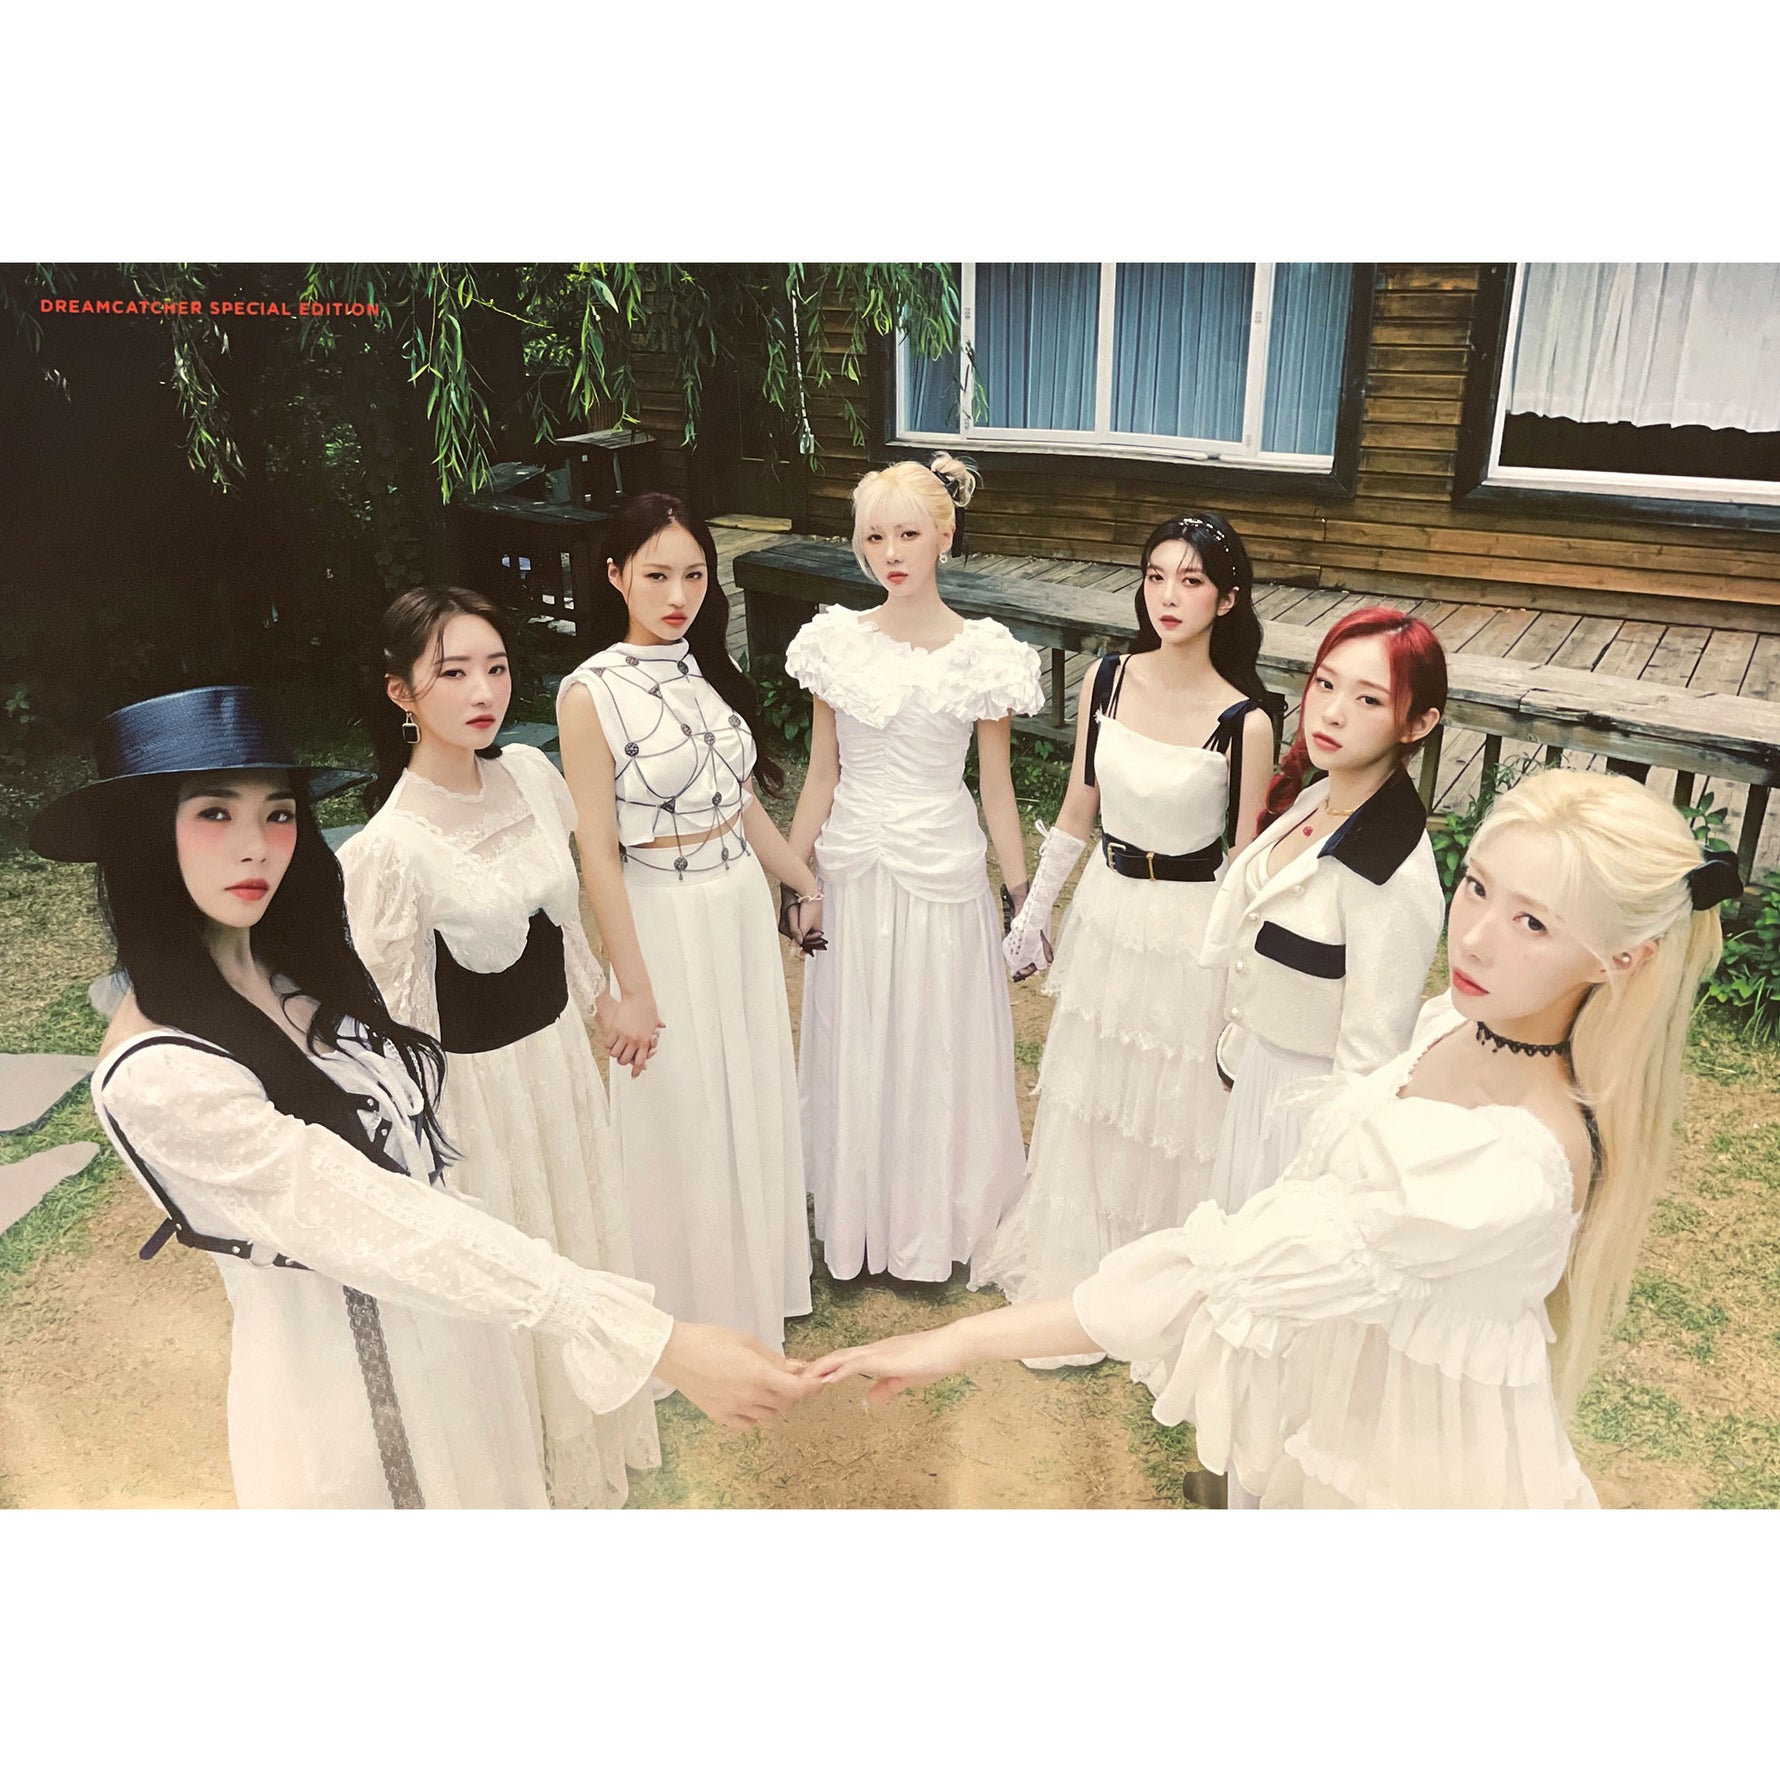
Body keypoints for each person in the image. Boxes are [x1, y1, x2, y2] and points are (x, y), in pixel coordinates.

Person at [810, 769, 1742, 1510]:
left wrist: (963, 1341)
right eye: (1477, 889)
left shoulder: (1505, 1168)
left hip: (1409, 1474)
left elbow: (1214, 1278)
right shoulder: (1451, 1025)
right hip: (1338, 1411)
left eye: (1532, 922)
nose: (1475, 939)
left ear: (1622, 960)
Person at [30, 685, 817, 1510]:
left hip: (463, 1365)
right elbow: (374, 1219)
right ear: (143, 836)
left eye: (278, 813)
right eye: (215, 815)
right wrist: (646, 1336)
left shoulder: (297, 979)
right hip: (356, 1417)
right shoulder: (159, 1075)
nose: (256, 846)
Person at [338, 586, 656, 1508]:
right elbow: (393, 1024)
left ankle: (593, 1437)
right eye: (452, 673)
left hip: (558, 1068)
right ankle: (524, 1475)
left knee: (581, 1237)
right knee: (513, 1270)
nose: (483, 692)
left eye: (497, 668)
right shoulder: (388, 850)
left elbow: (562, 918)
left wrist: (604, 1003)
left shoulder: (528, 772)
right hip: (479, 1102)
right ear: (401, 692)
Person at [969, 513, 1276, 1363]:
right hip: (1107, 910)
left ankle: (1158, 1282)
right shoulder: (1107, 678)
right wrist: (1033, 913)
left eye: (1191, 581)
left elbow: (1246, 861)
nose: (1169, 596)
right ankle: (1080, 1270)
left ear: (1226, 600)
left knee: (1170, 1102)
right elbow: (1079, 807)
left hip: (1188, 927)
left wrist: (1242, 982)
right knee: (1093, 1088)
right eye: (1155, 577)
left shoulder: (1246, 721)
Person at [556, 494, 814, 1362]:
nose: (678, 596)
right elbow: (596, 852)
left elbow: (741, 804)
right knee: (685, 1101)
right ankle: (690, 1300)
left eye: (695, 575)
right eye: (657, 574)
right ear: (615, 575)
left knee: (748, 1084)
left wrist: (802, 881)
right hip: (661, 915)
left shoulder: (707, 666)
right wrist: (630, 985)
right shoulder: (590, 692)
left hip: (736, 906)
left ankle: (760, 1277)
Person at [784, 453, 1043, 1283]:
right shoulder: (833, 643)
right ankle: (858, 1218)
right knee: (855, 1038)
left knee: (935, 1042)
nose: (890, 553)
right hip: (854, 870)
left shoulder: (985, 654)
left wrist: (1023, 897)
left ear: (944, 535)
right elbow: (821, 774)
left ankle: (934, 1222)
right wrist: (795, 879)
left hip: (941, 869)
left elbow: (995, 788)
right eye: (873, 537)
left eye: (907, 533)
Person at [1201, 607, 1447, 1221]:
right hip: (1255, 1083)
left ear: (1418, 722)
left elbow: (1371, 1055)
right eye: (1326, 683)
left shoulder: (1388, 868)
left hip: (1307, 1124)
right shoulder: (1319, 797)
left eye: (1369, 699)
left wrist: (1325, 1178)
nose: (1332, 712)